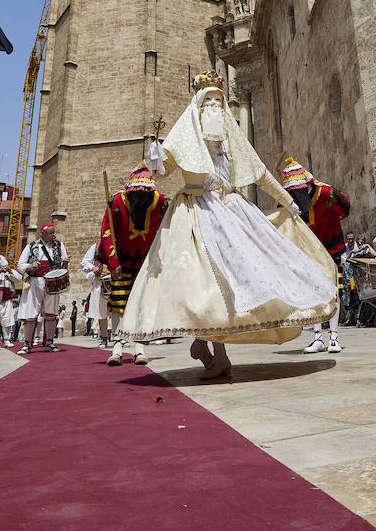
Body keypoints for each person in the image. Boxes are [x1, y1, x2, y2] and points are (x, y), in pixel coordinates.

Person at [117, 72, 338, 378]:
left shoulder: (232, 143)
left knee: (231, 282)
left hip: (232, 210)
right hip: (195, 211)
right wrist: (154, 157)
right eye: (208, 102)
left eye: (218, 102)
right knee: (203, 283)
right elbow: (163, 170)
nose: (215, 108)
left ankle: (213, 352)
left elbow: (260, 173)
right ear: (198, 107)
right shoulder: (185, 135)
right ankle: (208, 348)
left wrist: (287, 201)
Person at [99, 164, 169, 365]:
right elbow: (107, 233)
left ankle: (139, 348)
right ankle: (117, 347)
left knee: (142, 305)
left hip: (145, 263)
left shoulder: (161, 203)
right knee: (118, 305)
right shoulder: (116, 202)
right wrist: (112, 263)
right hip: (122, 262)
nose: (139, 199)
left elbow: (165, 232)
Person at [280, 158, 350, 353]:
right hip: (310, 252)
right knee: (314, 293)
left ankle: (334, 337)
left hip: (332, 248)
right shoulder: (290, 203)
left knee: (333, 290)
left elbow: (346, 208)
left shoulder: (328, 193)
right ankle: (318, 338)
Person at [16, 223, 68, 354]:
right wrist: (30, 266)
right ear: (43, 233)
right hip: (35, 282)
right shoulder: (32, 246)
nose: (53, 235)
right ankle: (27, 344)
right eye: (50, 233)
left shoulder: (59, 246)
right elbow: (20, 265)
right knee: (31, 313)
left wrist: (66, 263)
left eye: (53, 232)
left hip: (53, 283)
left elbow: (64, 265)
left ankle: (49, 342)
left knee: (51, 313)